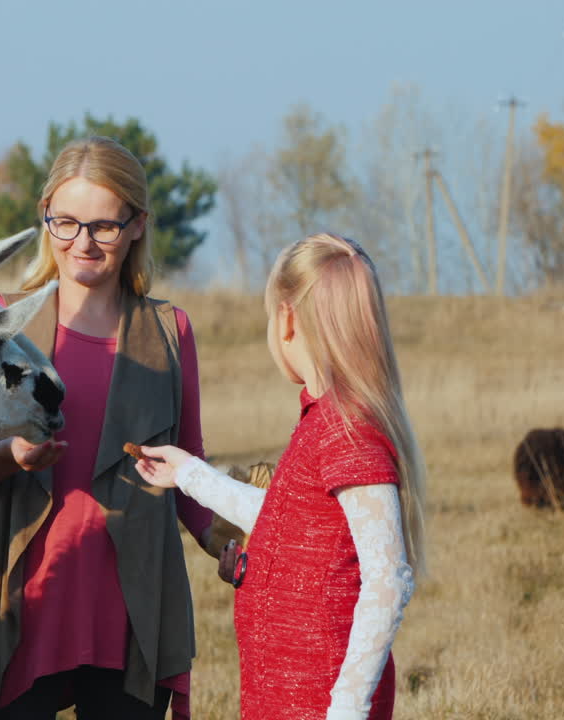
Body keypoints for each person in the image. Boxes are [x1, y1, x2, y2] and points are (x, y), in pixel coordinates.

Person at [0, 136, 220, 720]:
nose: (82, 243)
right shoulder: (0, 324)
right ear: (45, 218)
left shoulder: (171, 332)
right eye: (64, 223)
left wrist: (237, 543)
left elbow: (188, 466)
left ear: (137, 225)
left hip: (131, 619)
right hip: (18, 610)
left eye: (103, 227)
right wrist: (10, 457)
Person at [136, 233, 427, 720]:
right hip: (286, 696)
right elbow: (287, 520)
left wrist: (347, 708)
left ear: (288, 319)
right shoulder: (322, 421)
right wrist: (189, 474)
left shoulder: (346, 429)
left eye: (270, 314)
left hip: (318, 700)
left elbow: (389, 577)